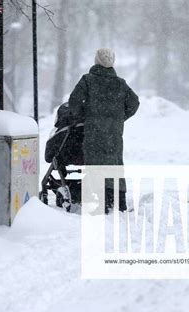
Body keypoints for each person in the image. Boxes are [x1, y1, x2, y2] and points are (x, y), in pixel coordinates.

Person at [68, 48, 140, 213]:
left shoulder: (88, 80)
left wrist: (83, 116)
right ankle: (118, 201)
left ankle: (98, 200)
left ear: (96, 61)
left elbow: (74, 102)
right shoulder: (120, 83)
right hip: (114, 134)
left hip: (93, 132)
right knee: (114, 164)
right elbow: (134, 103)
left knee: (95, 164)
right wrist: (119, 118)